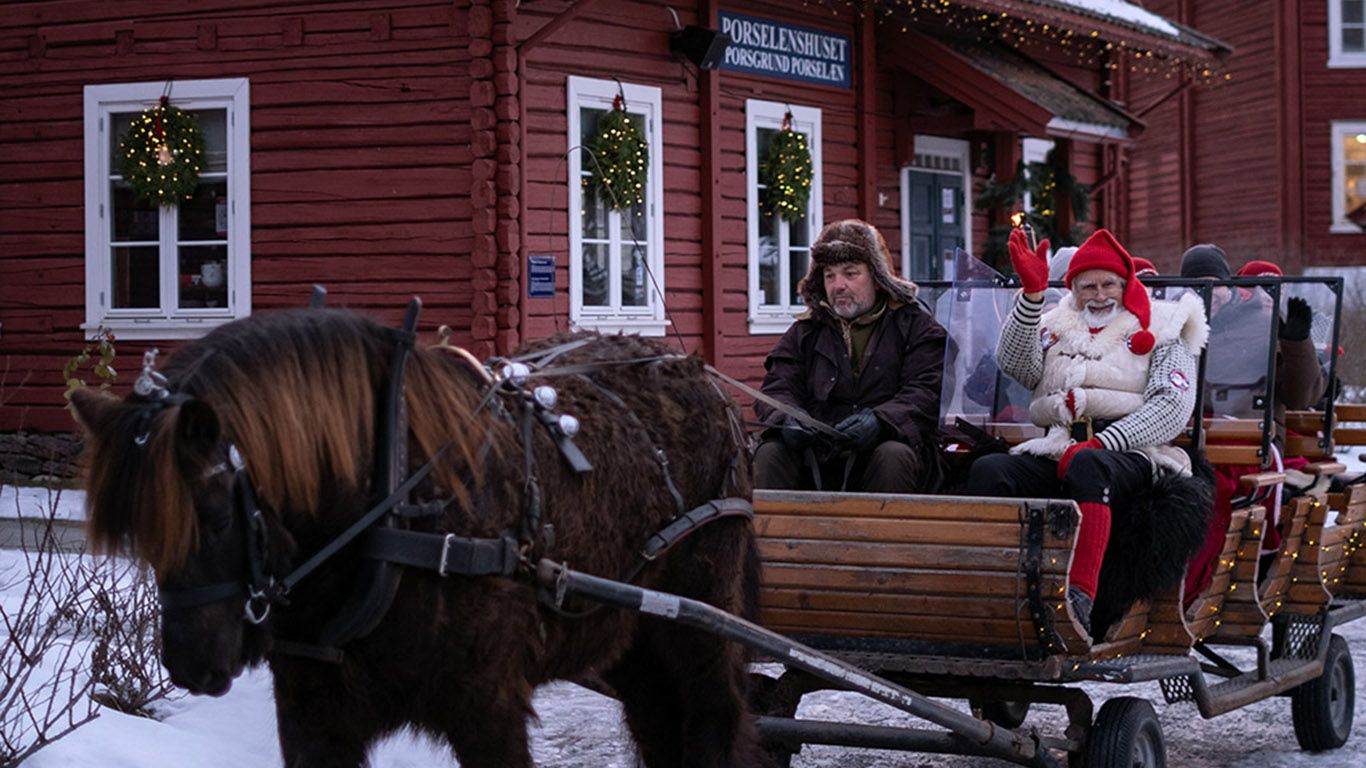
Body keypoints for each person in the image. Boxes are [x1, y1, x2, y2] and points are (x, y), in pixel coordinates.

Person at [964, 228, 1210, 634]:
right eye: (1088, 286)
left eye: (1108, 283)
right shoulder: (1058, 325)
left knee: (1090, 466)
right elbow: (1017, 366)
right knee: (991, 471)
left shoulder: (1165, 325)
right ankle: (989, 588)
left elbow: (1171, 407)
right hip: (1060, 441)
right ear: (1074, 291)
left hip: (1138, 451)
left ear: (1125, 283)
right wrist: (1030, 296)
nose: (1099, 294)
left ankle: (1080, 597)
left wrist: (1104, 442)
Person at [753, 219, 948, 494]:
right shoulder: (805, 331)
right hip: (819, 455)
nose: (838, 285)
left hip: (893, 449)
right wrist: (787, 417)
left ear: (878, 279)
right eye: (829, 275)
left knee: (892, 456)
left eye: (850, 273)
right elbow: (778, 387)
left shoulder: (916, 327)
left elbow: (927, 390)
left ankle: (881, 537)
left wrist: (881, 421)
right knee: (771, 453)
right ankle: (773, 536)